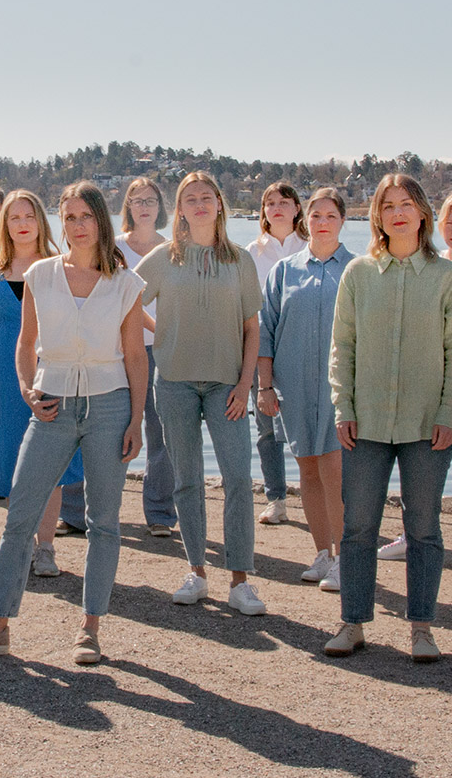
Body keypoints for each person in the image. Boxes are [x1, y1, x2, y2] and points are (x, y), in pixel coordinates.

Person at [0, 182, 147, 663]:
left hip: (110, 406)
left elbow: (136, 356)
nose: (77, 226)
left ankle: (90, 630)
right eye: (69, 217)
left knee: (103, 524)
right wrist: (25, 387)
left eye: (85, 216)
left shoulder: (126, 282)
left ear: (101, 220)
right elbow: (25, 341)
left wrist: (136, 419)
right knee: (19, 518)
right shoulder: (40, 274)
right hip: (51, 405)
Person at [321, 173, 452, 661]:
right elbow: (342, 346)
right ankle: (352, 622)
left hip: (428, 423)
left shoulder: (447, 276)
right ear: (378, 216)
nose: (398, 213)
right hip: (366, 423)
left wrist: (448, 412)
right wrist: (343, 405)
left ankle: (421, 627)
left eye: (406, 204)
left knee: (423, 526)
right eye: (387, 206)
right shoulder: (359, 274)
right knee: (359, 524)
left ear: (423, 212)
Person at [135, 171, 266, 616]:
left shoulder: (240, 260)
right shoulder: (163, 258)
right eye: (189, 198)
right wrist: (161, 331)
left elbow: (252, 328)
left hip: (227, 384)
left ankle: (241, 580)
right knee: (187, 479)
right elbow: (123, 301)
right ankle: (197, 572)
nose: (198, 204)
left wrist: (246, 384)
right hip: (174, 383)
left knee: (237, 482)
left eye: (206, 196)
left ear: (218, 204)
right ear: (181, 209)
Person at [0, 189, 83, 575]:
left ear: (40, 221)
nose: (22, 224)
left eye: (28, 216)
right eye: (14, 217)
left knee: (51, 464)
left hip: (50, 373)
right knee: (10, 458)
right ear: (5, 224)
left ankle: (45, 547)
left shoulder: (59, 267)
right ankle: (20, 542)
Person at [373, 190, 452, 563]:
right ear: (436, 224)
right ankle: (411, 530)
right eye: (449, 223)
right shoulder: (427, 263)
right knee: (420, 470)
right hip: (425, 384)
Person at [257, 187, 353, 592]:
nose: (323, 222)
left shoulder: (358, 268)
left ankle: (347, 559)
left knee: (335, 472)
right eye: (316, 216)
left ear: (342, 221)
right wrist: (265, 387)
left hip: (339, 390)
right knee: (308, 471)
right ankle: (322, 553)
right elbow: (267, 331)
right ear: (305, 220)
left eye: (331, 215)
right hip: (293, 387)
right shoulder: (285, 271)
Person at [117, 177, 178, 538]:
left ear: (160, 208)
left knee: (161, 435)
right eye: (137, 200)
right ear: (128, 207)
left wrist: (165, 335)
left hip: (161, 353)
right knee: (107, 430)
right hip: (117, 351)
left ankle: (159, 514)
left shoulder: (173, 250)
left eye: (150, 200)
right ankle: (79, 513)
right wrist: (156, 326)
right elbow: (120, 302)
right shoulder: (113, 249)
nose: (144, 206)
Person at [246, 181, 306, 525]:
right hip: (262, 350)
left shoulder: (311, 246)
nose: (277, 208)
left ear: (297, 208)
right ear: (263, 212)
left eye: (284, 201)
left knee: (306, 428)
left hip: (303, 350)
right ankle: (277, 499)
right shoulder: (252, 253)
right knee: (266, 429)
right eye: (270, 203)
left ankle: (316, 492)